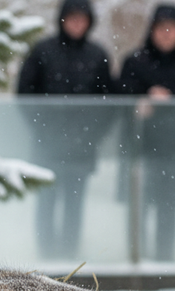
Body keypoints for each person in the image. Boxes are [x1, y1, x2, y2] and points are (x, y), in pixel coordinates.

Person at [16, 0, 113, 259]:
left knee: (75, 205)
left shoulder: (97, 54)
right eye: (72, 18)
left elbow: (109, 103)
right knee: (45, 204)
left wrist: (91, 134)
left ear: (90, 21)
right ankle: (46, 256)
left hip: (82, 148)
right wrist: (44, 128)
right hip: (47, 145)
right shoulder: (43, 51)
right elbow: (25, 94)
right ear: (62, 20)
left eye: (82, 18)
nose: (77, 23)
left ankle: (70, 255)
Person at [117, 4, 175, 261]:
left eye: (172, 28)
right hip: (140, 149)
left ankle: (165, 262)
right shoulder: (134, 62)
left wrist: (174, 104)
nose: (167, 33)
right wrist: (139, 102)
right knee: (138, 208)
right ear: (152, 30)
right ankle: (136, 260)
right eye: (161, 27)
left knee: (170, 209)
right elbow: (117, 100)